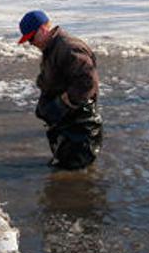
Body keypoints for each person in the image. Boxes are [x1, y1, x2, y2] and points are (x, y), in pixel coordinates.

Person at [18, 10, 103, 169]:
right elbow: (51, 78)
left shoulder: (68, 47)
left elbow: (87, 82)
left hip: (81, 122)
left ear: (43, 29)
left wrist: (64, 103)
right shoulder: (51, 48)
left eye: (31, 38)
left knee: (76, 175)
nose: (31, 43)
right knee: (64, 167)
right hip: (67, 122)